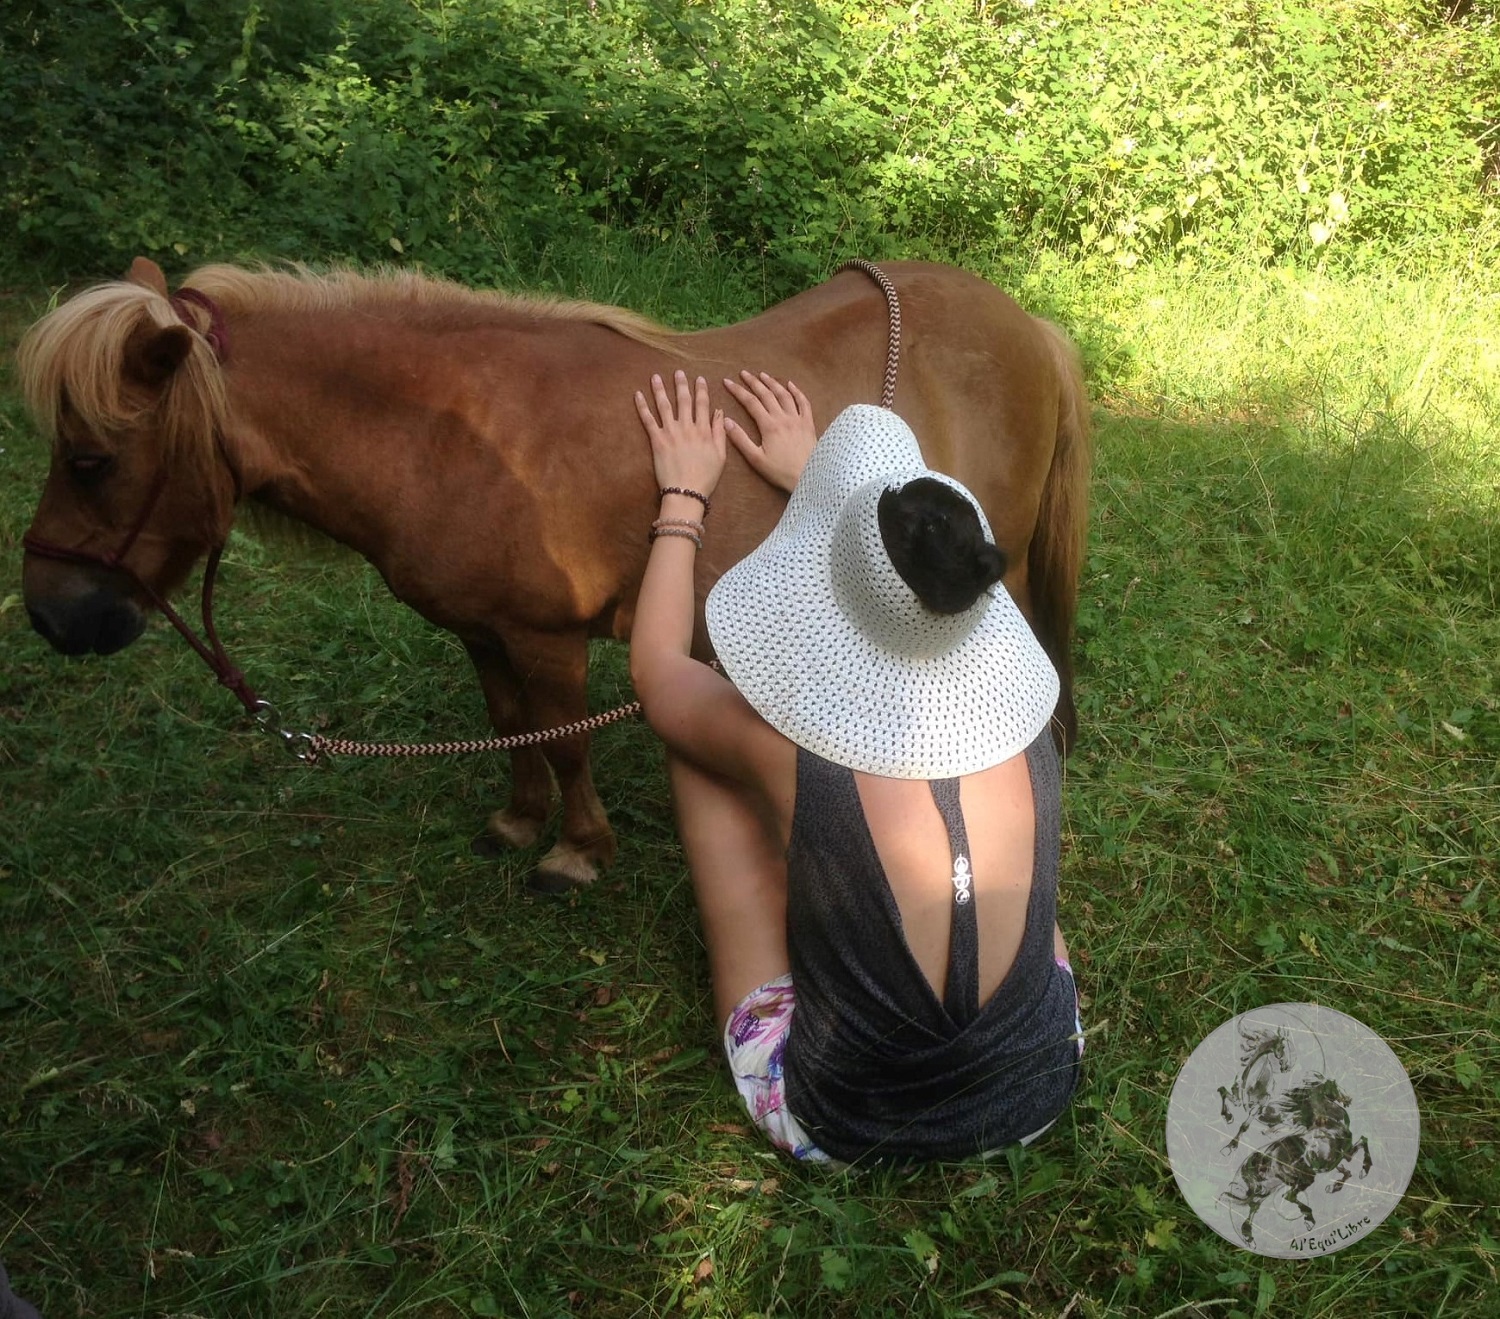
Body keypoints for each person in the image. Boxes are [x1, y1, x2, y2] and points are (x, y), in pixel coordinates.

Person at [630, 368, 1082, 1163]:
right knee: (982, 862)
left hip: (844, 1121)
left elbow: (657, 669)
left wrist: (684, 499)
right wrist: (825, 493)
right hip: (1040, 1082)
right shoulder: (1029, 718)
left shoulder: (784, 752)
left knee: (701, 745)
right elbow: (907, 594)